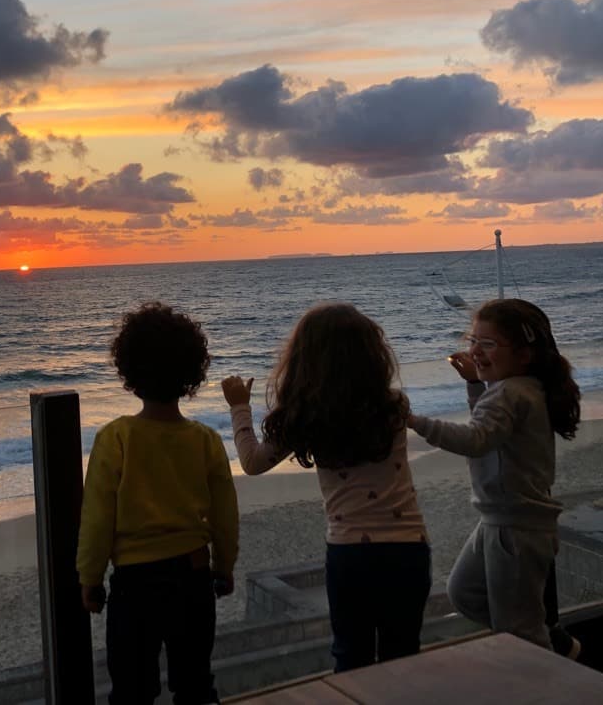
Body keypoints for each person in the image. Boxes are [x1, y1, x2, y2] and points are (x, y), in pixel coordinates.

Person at [222, 302, 431, 672]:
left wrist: (240, 407)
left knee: (352, 656)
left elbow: (253, 463)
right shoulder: (393, 405)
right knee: (403, 654)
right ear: (372, 354)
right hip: (408, 548)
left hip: (351, 553)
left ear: (304, 362)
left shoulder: (307, 416)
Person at [78, 301, 239, 705]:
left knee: (132, 691)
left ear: (128, 371)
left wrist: (90, 578)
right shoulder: (205, 440)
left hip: (135, 583)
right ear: (191, 374)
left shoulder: (116, 438)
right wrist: (224, 566)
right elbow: (224, 516)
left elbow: (97, 518)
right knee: (195, 684)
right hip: (194, 574)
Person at [409, 298, 581, 654]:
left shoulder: (509, 394)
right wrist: (475, 385)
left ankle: (544, 673)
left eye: (488, 344)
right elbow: (490, 430)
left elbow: (475, 439)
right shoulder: (522, 389)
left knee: (519, 632)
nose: (475, 351)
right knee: (465, 593)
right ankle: (551, 645)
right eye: (473, 341)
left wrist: (413, 421)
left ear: (523, 354)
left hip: (514, 526)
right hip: (503, 519)